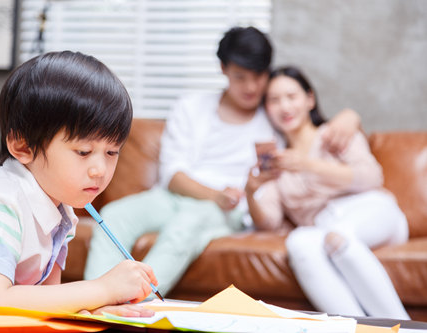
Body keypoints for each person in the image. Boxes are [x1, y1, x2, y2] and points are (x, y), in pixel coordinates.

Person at [84, 26, 361, 296]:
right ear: (223, 69)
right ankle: (93, 301)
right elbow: (173, 174)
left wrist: (350, 116)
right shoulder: (191, 107)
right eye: (240, 77)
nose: (251, 87)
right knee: (115, 215)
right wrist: (215, 195)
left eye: (259, 76)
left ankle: (135, 305)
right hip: (174, 197)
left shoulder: (275, 115)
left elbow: (314, 126)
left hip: (230, 211)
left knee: (186, 225)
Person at [0, 51, 157, 317]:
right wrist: (102, 289)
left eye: (112, 152)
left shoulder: (61, 211)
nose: (100, 170)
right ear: (23, 146)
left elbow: (47, 301)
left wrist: (93, 311)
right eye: (83, 152)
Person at [245, 65, 410, 319]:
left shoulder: (335, 133)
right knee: (298, 242)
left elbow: (372, 177)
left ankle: (406, 328)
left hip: (372, 210)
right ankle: (356, 329)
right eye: (274, 100)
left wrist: (308, 165)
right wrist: (251, 190)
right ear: (266, 109)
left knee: (337, 235)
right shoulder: (277, 161)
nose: (285, 107)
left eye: (291, 97)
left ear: (310, 99)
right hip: (324, 229)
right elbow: (269, 222)